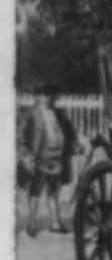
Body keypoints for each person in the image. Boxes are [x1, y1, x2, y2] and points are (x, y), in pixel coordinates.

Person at [20, 86, 81, 236]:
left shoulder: (60, 114)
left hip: (57, 158)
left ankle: (55, 223)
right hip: (38, 159)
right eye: (42, 95)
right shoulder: (30, 115)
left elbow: (71, 133)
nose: (46, 99)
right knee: (35, 192)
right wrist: (26, 156)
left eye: (49, 95)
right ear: (36, 97)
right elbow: (21, 139)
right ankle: (32, 222)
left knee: (53, 193)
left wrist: (76, 145)